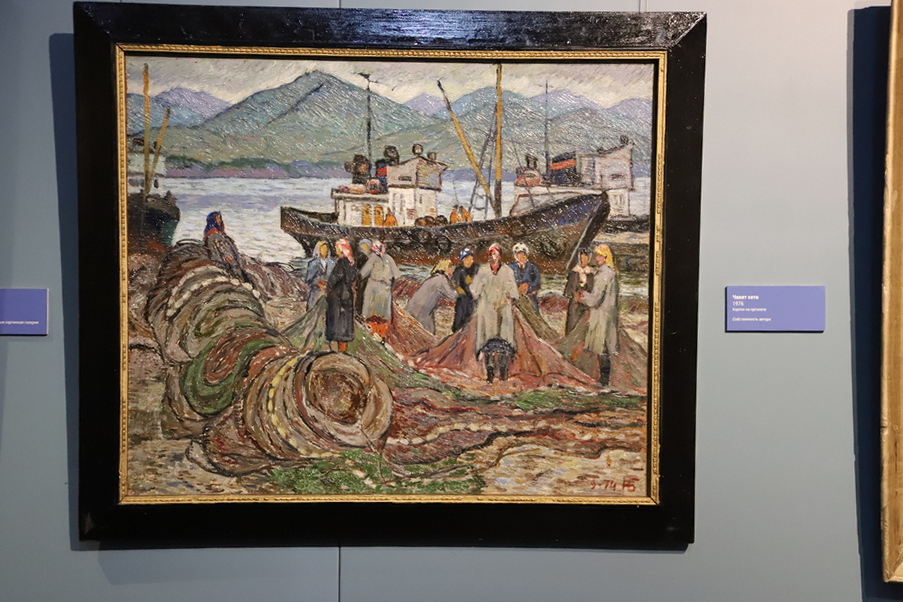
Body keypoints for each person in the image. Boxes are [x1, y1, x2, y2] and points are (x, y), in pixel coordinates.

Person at [579, 243, 620, 391]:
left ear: (605, 257)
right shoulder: (609, 272)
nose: (596, 258)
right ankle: (604, 381)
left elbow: (595, 299)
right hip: (607, 314)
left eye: (599, 256)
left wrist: (583, 295)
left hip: (602, 314)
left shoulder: (605, 274)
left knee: (602, 348)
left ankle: (604, 381)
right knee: (604, 347)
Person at [470, 243, 519, 355]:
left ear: (500, 256)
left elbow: (513, 290)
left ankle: (506, 353)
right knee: (487, 331)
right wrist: (478, 292)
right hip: (487, 304)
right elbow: (475, 289)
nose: (493, 257)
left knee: (505, 329)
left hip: (503, 304)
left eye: (496, 255)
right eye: (491, 255)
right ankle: (484, 354)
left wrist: (510, 296)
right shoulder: (483, 270)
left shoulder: (507, 270)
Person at [359, 240, 400, 340]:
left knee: (372, 313)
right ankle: (379, 336)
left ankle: (374, 335)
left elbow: (363, 273)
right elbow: (397, 275)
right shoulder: (388, 258)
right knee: (381, 315)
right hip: (384, 288)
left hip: (375, 288)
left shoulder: (373, 258)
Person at [406, 259, 456, 335]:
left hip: (412, 307)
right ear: (446, 269)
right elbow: (453, 296)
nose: (452, 271)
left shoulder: (433, 278)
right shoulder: (441, 280)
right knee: (429, 333)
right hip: (422, 311)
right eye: (451, 268)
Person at [326, 238, 357, 353]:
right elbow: (352, 278)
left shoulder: (341, 262)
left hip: (338, 294)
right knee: (346, 320)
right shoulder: (352, 262)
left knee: (336, 319)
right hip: (347, 294)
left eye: (337, 249)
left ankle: (335, 348)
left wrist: (328, 286)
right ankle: (343, 348)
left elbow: (335, 278)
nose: (336, 251)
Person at [203, 211, 249, 282]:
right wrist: (230, 261)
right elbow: (220, 252)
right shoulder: (214, 236)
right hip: (225, 264)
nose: (220, 221)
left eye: (220, 218)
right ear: (212, 221)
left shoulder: (221, 234)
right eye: (217, 219)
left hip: (231, 262)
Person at [563, 247, 595, 334]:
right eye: (581, 259)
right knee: (573, 322)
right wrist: (575, 294)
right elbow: (569, 289)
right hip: (575, 302)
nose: (583, 261)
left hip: (586, 301)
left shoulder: (591, 273)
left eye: (585, 259)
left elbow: (592, 288)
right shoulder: (574, 272)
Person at [451, 247, 479, 332]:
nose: (467, 260)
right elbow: (454, 282)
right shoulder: (459, 270)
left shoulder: (477, 268)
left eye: (468, 257)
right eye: (464, 259)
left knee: (472, 319)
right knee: (459, 319)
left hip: (475, 298)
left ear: (472, 257)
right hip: (463, 298)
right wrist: (458, 288)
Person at [509, 242, 541, 311]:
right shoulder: (510, 267)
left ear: (526, 256)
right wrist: (517, 289)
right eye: (519, 255)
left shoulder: (532, 267)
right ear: (515, 256)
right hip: (515, 295)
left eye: (523, 255)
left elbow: (537, 280)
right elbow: (507, 281)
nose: (521, 258)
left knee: (532, 309)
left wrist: (529, 287)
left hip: (529, 295)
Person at [305, 240, 335, 310]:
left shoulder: (332, 263)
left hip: (327, 293)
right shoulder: (313, 263)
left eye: (326, 249)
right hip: (315, 294)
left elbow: (334, 278)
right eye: (322, 249)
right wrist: (318, 283)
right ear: (318, 250)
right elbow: (308, 281)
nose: (325, 251)